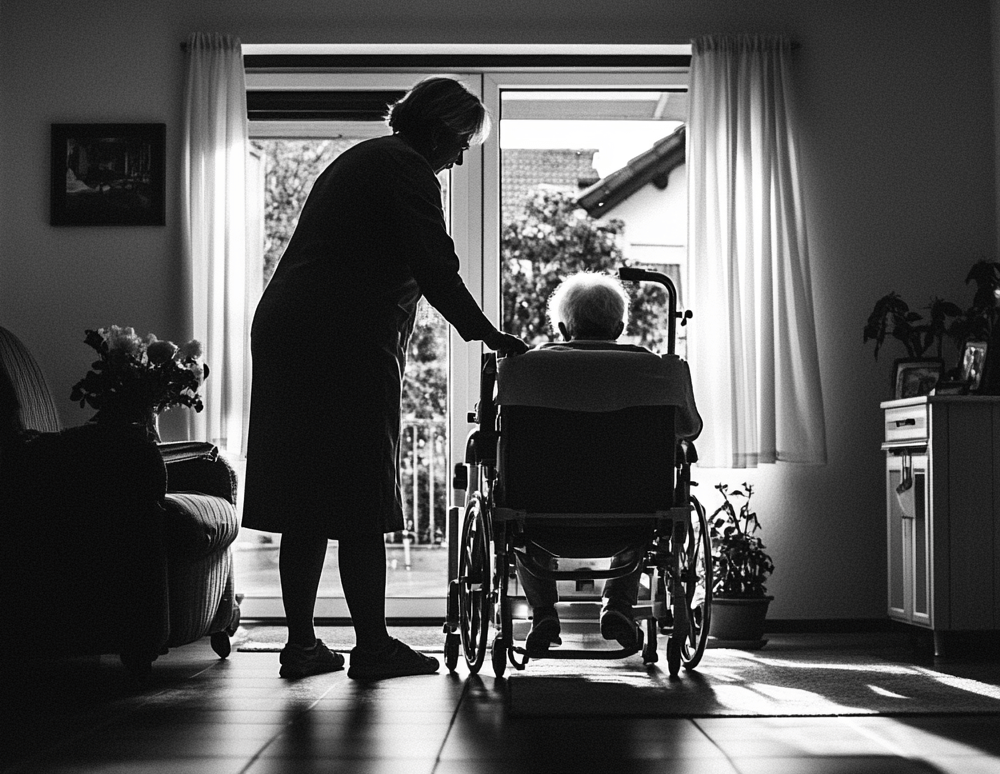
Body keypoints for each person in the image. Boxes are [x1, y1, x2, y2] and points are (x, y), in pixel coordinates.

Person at [242, 77, 528, 681]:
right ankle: (372, 646)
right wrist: (489, 334)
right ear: (441, 129)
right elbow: (434, 265)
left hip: (293, 331)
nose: (458, 158)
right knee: (359, 493)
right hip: (340, 341)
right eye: (461, 143)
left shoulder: (366, 158)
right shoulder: (406, 170)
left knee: (305, 495)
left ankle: (301, 646)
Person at [515, 271, 701, 654]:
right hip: (631, 518)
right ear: (619, 326)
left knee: (511, 513)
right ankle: (618, 605)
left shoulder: (527, 368)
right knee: (641, 504)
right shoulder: (658, 369)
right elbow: (689, 430)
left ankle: (544, 613)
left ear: (563, 327)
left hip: (539, 519)